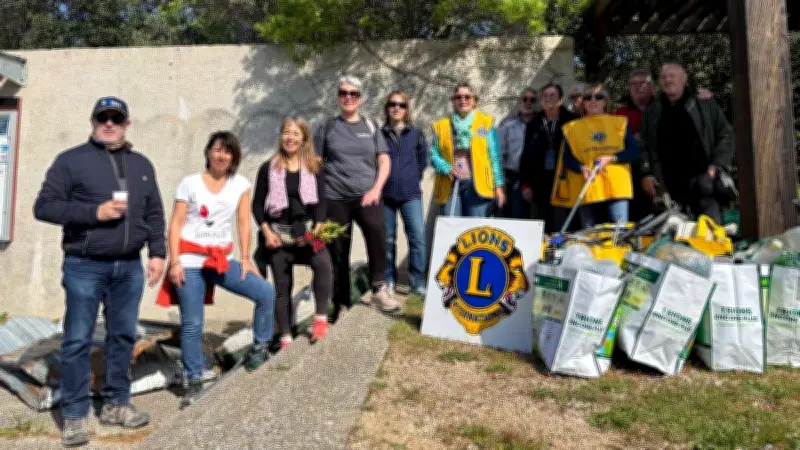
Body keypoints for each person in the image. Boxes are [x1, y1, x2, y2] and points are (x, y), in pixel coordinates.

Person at [33, 97, 165, 447]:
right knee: (78, 339)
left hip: (129, 266)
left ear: (126, 124)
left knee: (123, 336)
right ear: (93, 121)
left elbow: (154, 212)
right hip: (85, 265)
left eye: (115, 118)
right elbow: (44, 207)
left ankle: (116, 404)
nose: (109, 123)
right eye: (102, 118)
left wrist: (158, 253)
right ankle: (75, 415)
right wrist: (94, 213)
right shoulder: (71, 161)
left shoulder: (141, 164)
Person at [158, 131, 275, 407]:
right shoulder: (190, 183)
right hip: (190, 260)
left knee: (265, 293)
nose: (222, 155)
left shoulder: (240, 184)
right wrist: (174, 262)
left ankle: (260, 348)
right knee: (192, 324)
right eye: (217, 149)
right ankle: (194, 380)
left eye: (228, 151)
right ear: (208, 152)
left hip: (222, 259)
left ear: (234, 157)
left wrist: (245, 258)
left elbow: (244, 222)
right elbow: (175, 225)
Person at [313, 75, 399, 321]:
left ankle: (379, 289)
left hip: (367, 196)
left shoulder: (370, 126)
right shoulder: (327, 127)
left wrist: (376, 189)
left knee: (378, 236)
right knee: (338, 252)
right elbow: (316, 165)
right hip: (335, 197)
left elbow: (384, 159)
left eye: (353, 93)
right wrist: (317, 203)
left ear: (360, 98)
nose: (348, 97)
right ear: (338, 97)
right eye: (344, 93)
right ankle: (341, 303)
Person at [252, 117, 332, 350]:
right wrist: (266, 232)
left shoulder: (314, 167)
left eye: (296, 134)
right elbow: (257, 204)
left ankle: (320, 320)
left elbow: (322, 201)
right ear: (281, 136)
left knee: (323, 264)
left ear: (304, 139)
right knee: (282, 286)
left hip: (307, 232)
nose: (290, 138)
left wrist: (318, 225)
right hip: (279, 234)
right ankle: (285, 336)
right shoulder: (268, 168)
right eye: (287, 132)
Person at [639, 63, 734, 223]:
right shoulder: (653, 111)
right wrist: (646, 173)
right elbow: (643, 145)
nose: (668, 80)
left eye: (672, 76)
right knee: (676, 235)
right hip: (669, 187)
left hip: (704, 181)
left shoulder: (704, 104)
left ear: (684, 79)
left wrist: (718, 164)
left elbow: (726, 134)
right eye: (663, 77)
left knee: (710, 230)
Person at [555, 84, 640, 228]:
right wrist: (581, 167)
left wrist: (612, 158)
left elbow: (633, 151)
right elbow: (567, 159)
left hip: (616, 187)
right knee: (589, 235)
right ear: (583, 103)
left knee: (619, 233)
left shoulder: (620, 123)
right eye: (588, 98)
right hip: (587, 187)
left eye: (598, 97)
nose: (593, 100)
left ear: (605, 101)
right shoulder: (572, 128)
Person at [430, 82, 505, 217]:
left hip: (478, 188)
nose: (463, 100)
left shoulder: (486, 124)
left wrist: (499, 187)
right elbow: (434, 155)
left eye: (467, 97)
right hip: (450, 186)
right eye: (458, 97)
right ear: (453, 101)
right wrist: (446, 168)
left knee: (475, 228)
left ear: (474, 100)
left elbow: (495, 158)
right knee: (451, 226)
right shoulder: (442, 125)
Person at [380, 91, 428, 296]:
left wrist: (411, 178)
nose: (397, 108)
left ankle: (417, 283)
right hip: (385, 196)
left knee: (417, 238)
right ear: (387, 108)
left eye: (401, 105)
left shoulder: (416, 134)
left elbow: (422, 161)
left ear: (407, 109)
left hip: (411, 195)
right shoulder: (379, 134)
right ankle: (388, 279)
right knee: (387, 239)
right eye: (392, 104)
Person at [520, 84, 580, 233]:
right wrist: (525, 184)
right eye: (545, 96)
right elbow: (526, 155)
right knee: (543, 225)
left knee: (567, 225)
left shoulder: (573, 121)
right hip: (540, 183)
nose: (548, 99)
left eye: (552, 95)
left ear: (561, 99)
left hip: (567, 180)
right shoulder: (533, 123)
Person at [498, 87, 537, 219]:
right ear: (519, 101)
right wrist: (502, 179)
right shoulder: (507, 125)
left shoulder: (541, 123)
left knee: (538, 216)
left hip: (537, 177)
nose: (528, 102)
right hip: (514, 176)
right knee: (517, 214)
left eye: (532, 100)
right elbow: (499, 153)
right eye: (525, 99)